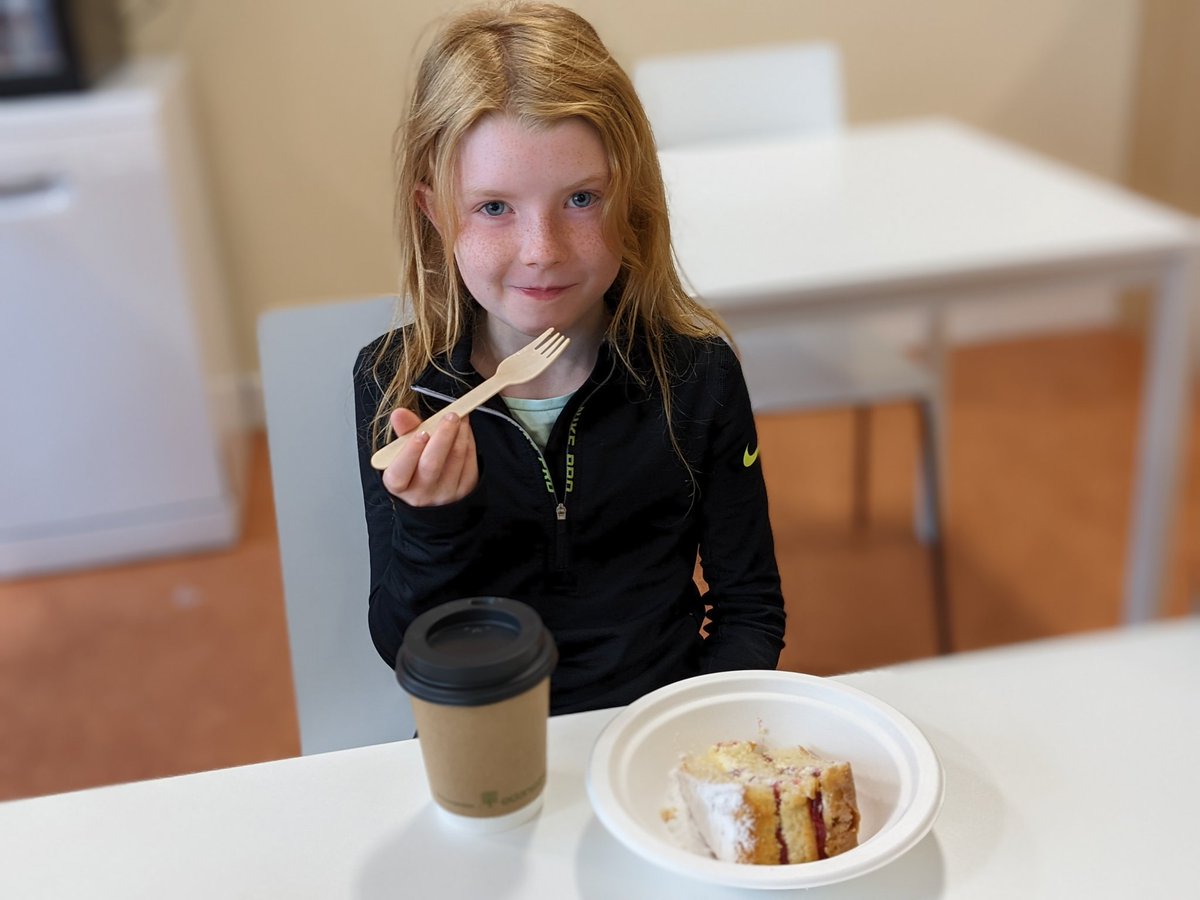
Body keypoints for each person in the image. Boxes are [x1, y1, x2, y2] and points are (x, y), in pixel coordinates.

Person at [355, 1, 785, 714]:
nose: (542, 251)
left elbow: (751, 606)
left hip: (662, 729)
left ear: (631, 198)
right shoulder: (397, 386)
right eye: (495, 208)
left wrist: (696, 731)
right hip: (490, 734)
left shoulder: (697, 376)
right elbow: (403, 644)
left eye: (581, 199)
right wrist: (434, 523)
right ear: (436, 213)